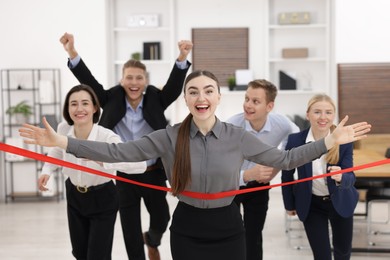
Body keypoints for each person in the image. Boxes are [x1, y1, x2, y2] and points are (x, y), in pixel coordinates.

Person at [19, 70, 371, 260]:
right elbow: (118, 153)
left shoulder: (238, 136)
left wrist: (328, 142)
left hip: (229, 226)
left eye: (208, 91)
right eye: (193, 92)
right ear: (186, 99)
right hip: (186, 226)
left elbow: (286, 159)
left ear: (218, 97)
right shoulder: (168, 137)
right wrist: (61, 142)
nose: (201, 97)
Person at [59, 32, 192, 260]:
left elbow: (173, 87)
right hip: (122, 174)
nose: (134, 83)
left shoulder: (155, 98)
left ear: (146, 81)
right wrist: (71, 52)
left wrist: (182, 57)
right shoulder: (111, 97)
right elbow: (88, 81)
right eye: (129, 78)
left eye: (139, 78)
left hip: (152, 172)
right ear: (122, 80)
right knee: (129, 229)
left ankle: (152, 238)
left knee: (162, 217)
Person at [39, 84, 147, 260]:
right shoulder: (63, 129)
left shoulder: (106, 136)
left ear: (95, 107)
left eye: (85, 103)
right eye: (73, 104)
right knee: (80, 254)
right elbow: (57, 151)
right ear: (67, 108)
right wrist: (47, 170)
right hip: (74, 196)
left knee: (98, 255)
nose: (79, 109)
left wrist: (103, 159)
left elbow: (139, 164)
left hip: (103, 198)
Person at [226, 79, 300, 260]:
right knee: (230, 236)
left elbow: (296, 143)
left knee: (253, 236)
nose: (248, 105)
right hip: (231, 185)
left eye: (255, 101)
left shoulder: (282, 124)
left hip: (258, 187)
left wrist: (275, 168)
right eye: (246, 99)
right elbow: (218, 164)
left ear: (269, 106)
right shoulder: (230, 126)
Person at [281, 94, 359, 260]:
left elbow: (350, 177)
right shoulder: (295, 140)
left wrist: (341, 177)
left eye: (328, 112)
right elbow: (287, 175)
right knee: (321, 255)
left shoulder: (343, 140)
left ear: (334, 115)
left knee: (343, 252)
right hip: (311, 204)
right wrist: (289, 204)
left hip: (340, 199)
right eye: (317, 112)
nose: (323, 117)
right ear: (308, 114)